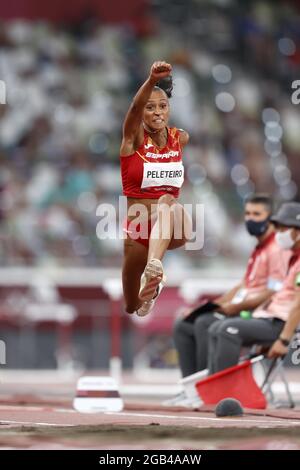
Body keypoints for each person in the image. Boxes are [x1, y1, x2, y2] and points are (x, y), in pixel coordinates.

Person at [166, 195, 290, 406]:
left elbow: (273, 292)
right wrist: (212, 306)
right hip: (244, 309)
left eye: (257, 214)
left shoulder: (277, 250)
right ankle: (192, 389)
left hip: (260, 314)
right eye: (248, 214)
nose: (251, 219)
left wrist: (232, 308)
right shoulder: (259, 249)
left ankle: (208, 389)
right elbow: (242, 286)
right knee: (184, 323)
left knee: (207, 322)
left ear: (271, 219)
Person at [120, 61, 192, 317]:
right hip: (139, 230)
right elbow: (133, 108)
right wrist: (150, 81)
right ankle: (154, 285)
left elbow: (168, 201)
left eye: (163, 106)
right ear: (142, 113)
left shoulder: (180, 138)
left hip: (174, 222)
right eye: (150, 108)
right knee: (132, 306)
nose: (158, 112)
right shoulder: (133, 140)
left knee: (167, 202)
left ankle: (155, 266)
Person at [207, 201, 300, 373]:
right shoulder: (291, 259)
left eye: (283, 229)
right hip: (266, 319)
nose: (278, 234)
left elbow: (298, 304)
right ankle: (211, 389)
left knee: (227, 330)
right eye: (277, 228)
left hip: (279, 323)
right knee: (215, 327)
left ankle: (225, 392)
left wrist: (284, 340)